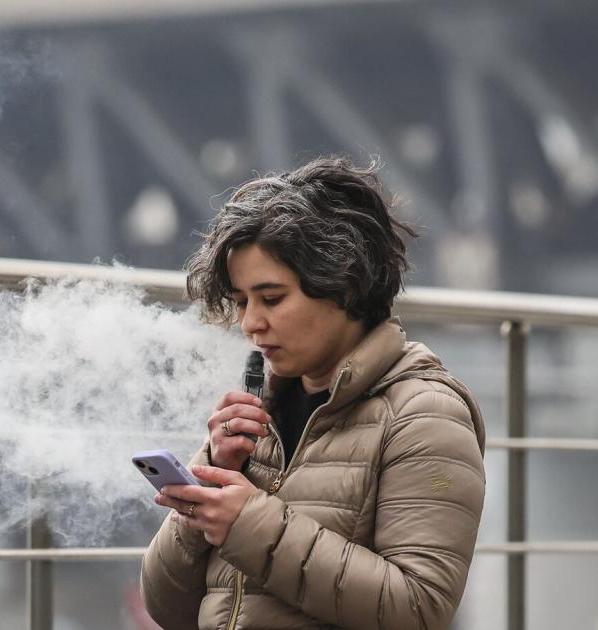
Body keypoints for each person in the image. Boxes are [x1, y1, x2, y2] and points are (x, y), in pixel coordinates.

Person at [140, 156, 486, 630]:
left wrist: (248, 525)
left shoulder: (425, 415)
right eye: (241, 302)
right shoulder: (253, 418)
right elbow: (168, 609)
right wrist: (205, 492)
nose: (250, 323)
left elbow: (420, 609)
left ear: (342, 283)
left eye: (272, 298)